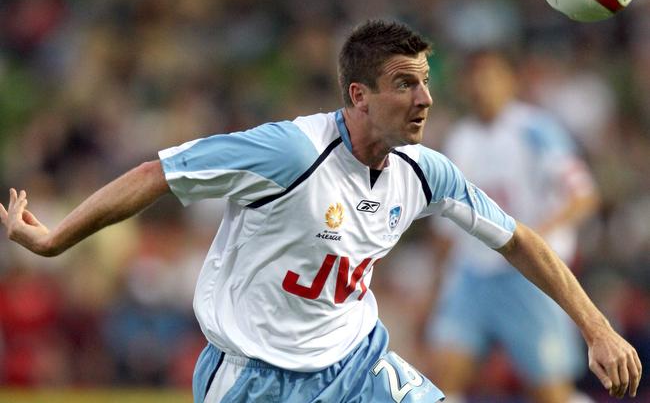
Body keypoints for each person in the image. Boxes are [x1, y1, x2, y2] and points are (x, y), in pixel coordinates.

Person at [0, 20, 641, 402]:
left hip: (357, 360)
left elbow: (518, 239)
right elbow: (157, 173)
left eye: (425, 81)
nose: (425, 98)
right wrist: (57, 241)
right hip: (254, 376)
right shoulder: (288, 151)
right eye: (404, 84)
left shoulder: (426, 170)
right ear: (358, 95)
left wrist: (598, 328)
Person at [423, 50, 603, 403]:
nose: (481, 86)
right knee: (442, 378)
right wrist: (435, 287)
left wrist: (536, 238)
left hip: (530, 277)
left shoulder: (536, 130)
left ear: (510, 81)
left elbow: (583, 196)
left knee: (550, 393)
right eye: (473, 78)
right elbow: (447, 224)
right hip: (473, 274)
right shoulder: (460, 140)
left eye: (490, 76)